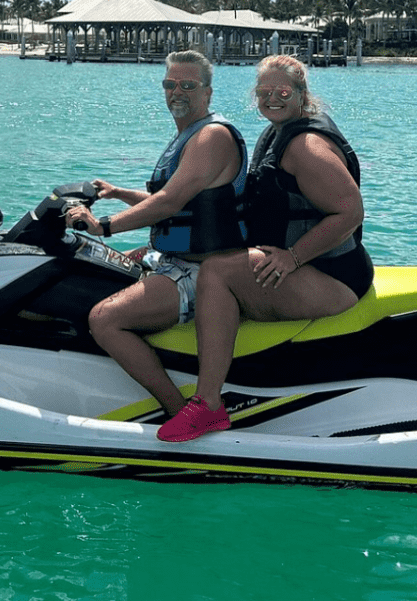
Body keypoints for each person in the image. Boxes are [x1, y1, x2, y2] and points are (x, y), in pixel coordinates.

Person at [156, 54, 373, 442]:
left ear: (302, 95)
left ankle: (207, 405)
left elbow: (351, 212)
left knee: (217, 274)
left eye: (283, 91)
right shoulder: (278, 131)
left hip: (332, 276)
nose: (272, 98)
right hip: (307, 266)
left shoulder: (305, 145)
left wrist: (293, 257)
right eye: (263, 92)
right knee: (217, 263)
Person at [63, 50, 247, 417]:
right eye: (170, 84)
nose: (176, 91)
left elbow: (168, 202)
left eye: (188, 85)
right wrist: (118, 193)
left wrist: (105, 227)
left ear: (208, 93)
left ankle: (180, 411)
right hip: (169, 261)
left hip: (198, 273)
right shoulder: (189, 135)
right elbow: (184, 206)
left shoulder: (211, 137)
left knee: (105, 319)